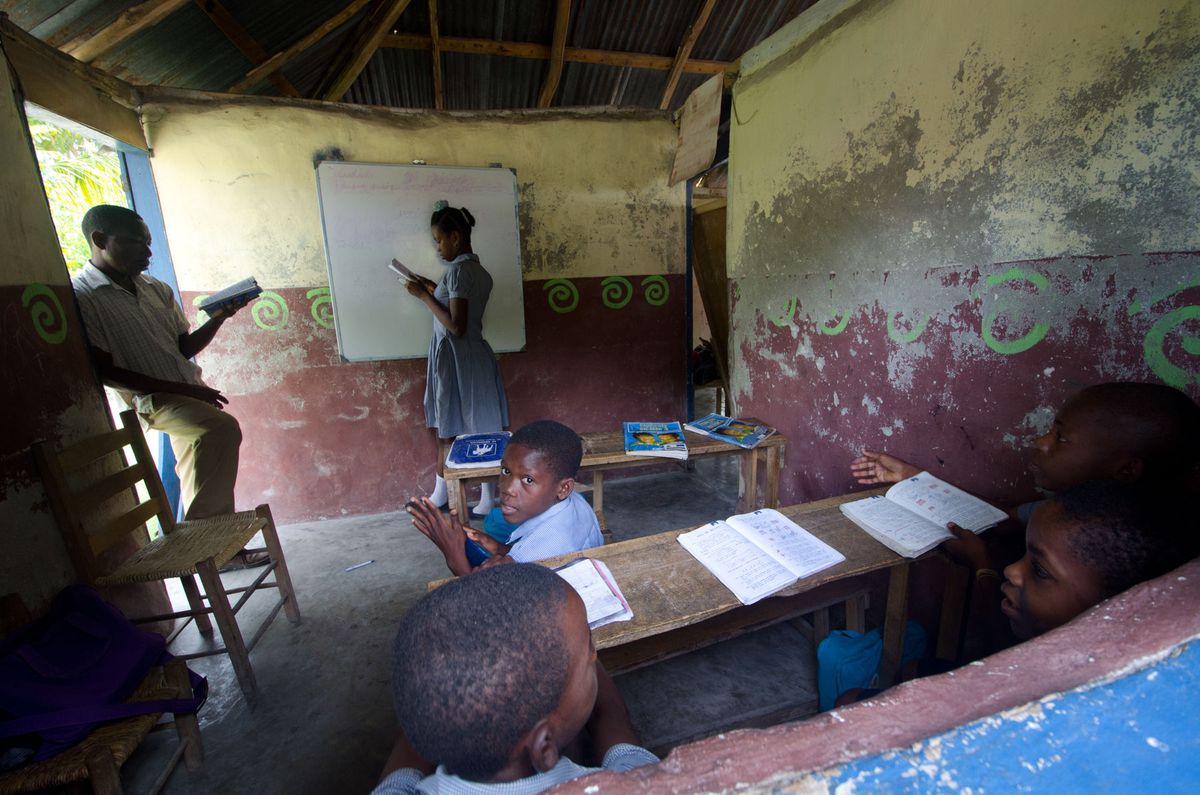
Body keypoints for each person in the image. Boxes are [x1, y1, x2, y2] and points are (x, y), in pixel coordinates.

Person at [826, 481, 1191, 706]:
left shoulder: (1063, 686)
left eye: (1040, 571)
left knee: (849, 700)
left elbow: (1007, 652)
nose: (1013, 571)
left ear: (1113, 605)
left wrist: (983, 567)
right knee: (914, 668)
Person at [71, 205, 265, 568]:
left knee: (199, 466)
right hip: (152, 399)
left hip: (185, 388)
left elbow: (184, 347)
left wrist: (221, 317)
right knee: (221, 428)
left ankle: (211, 553)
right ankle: (208, 543)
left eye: (149, 244)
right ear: (99, 240)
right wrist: (190, 393)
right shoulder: (84, 296)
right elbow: (108, 372)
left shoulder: (155, 289)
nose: (148, 253)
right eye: (136, 244)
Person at [373, 563, 657, 794]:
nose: (593, 656)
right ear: (543, 747)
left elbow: (408, 752)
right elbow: (613, 716)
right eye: (590, 648)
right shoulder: (630, 783)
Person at [850, 381, 1200, 521]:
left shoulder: (1102, 543)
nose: (1040, 442)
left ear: (1125, 471)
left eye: (1060, 438)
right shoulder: (1062, 508)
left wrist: (984, 570)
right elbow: (1001, 517)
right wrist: (913, 477)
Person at [401, 201, 508, 517]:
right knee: (481, 426)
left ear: (457, 237)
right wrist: (434, 290)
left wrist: (423, 297)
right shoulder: (477, 270)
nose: (437, 247)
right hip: (472, 357)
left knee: (451, 428)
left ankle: (444, 496)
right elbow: (459, 308)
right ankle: (480, 499)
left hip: (458, 358)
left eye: (440, 239)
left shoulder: (458, 271)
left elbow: (457, 326)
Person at [407, 421, 603, 576]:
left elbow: (489, 605)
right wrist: (498, 547)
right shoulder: (575, 502)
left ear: (563, 488)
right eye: (505, 471)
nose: (507, 489)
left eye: (528, 479)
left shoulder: (545, 550)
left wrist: (453, 555)